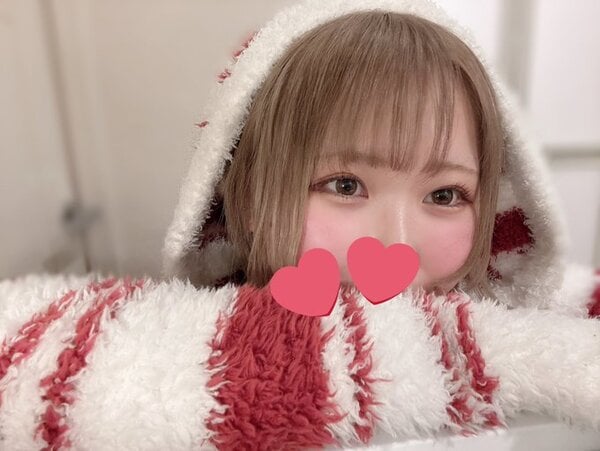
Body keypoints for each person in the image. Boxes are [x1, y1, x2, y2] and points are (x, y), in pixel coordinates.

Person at [1, 0, 599, 449]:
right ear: (249, 196)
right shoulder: (192, 351)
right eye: (345, 185)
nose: (396, 240)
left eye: (445, 194)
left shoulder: (491, 312)